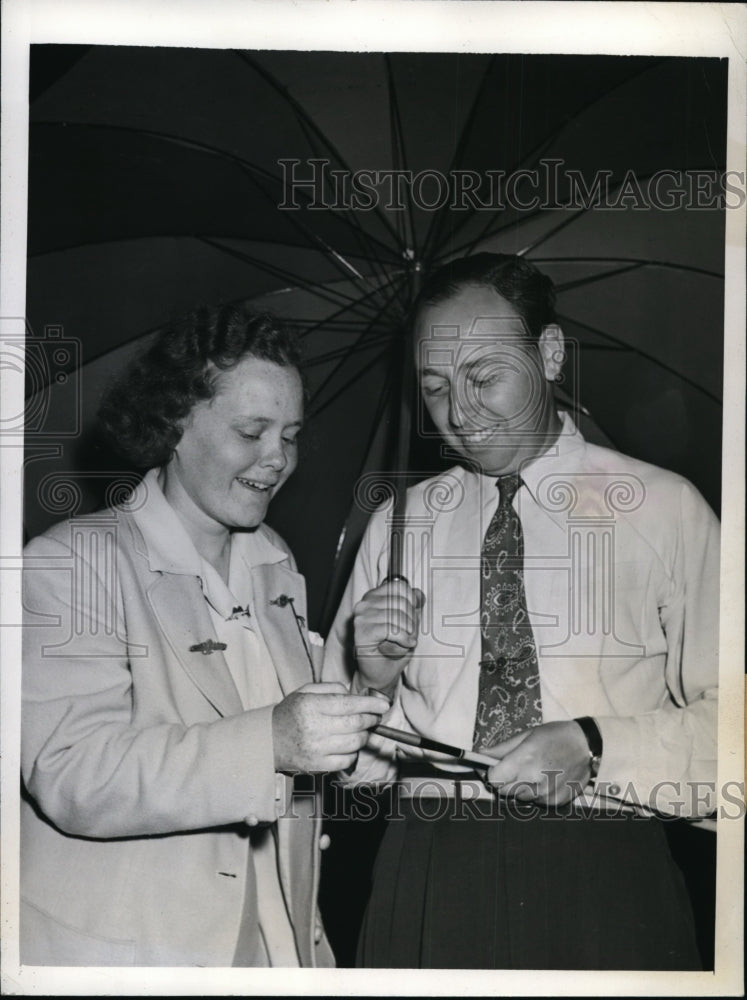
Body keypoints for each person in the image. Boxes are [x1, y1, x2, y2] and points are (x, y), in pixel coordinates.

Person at [323, 253, 719, 970]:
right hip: (426, 866)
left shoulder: (664, 511)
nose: (459, 414)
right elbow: (344, 768)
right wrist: (370, 681)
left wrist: (596, 748)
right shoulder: (398, 524)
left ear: (550, 353)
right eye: (435, 387)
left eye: (483, 378)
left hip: (606, 869)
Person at [20, 305, 387, 967]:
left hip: (269, 948)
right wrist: (272, 739)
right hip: (134, 956)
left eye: (291, 435)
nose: (278, 460)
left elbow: (298, 756)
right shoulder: (73, 562)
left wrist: (364, 715)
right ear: (173, 422)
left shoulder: (273, 560)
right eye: (252, 431)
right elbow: (73, 775)